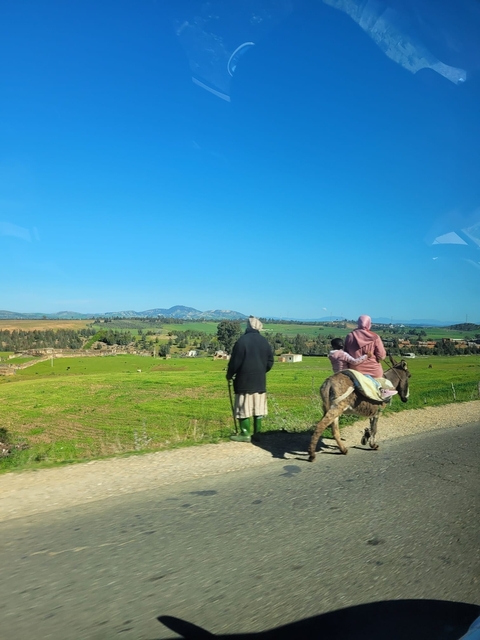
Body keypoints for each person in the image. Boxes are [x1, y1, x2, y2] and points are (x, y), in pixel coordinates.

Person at [226, 316, 274, 442]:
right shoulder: (264, 341)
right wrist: (261, 371)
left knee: (243, 406)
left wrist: (229, 374)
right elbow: (270, 361)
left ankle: (245, 433)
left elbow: (234, 362)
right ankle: (258, 433)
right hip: (260, 380)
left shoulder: (242, 341)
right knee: (258, 407)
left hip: (244, 380)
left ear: (248, 326)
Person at [344, 315, 397, 400]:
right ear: (369, 324)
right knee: (384, 382)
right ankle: (383, 394)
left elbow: (345, 353)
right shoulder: (375, 337)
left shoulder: (349, 336)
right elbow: (382, 356)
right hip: (373, 371)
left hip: (354, 370)